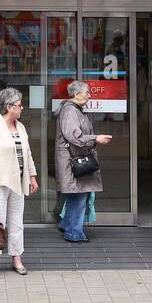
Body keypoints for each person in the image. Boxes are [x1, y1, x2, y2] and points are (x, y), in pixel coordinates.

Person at [0, 88, 39, 276]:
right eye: (19, 105)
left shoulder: (20, 127)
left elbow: (27, 153)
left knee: (16, 222)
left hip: (18, 182)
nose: (22, 108)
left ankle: (16, 257)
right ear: (8, 107)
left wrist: (32, 176)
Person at [55, 80, 109, 243]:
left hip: (73, 160)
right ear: (77, 95)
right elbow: (74, 137)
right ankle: (74, 232)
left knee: (77, 195)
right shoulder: (71, 111)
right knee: (79, 196)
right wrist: (96, 138)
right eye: (87, 92)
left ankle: (68, 225)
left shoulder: (73, 109)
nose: (89, 95)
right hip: (74, 161)